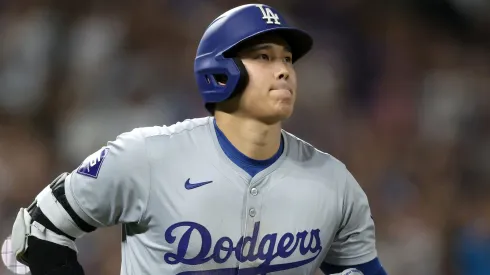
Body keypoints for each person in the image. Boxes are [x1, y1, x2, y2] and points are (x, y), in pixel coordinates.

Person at [11, 4, 387, 275]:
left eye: (288, 60)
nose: (284, 71)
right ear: (219, 72)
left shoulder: (334, 182)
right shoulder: (147, 156)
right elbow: (36, 231)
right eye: (264, 57)